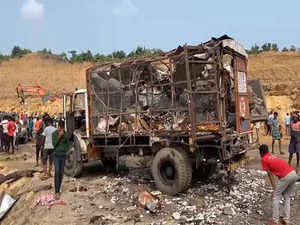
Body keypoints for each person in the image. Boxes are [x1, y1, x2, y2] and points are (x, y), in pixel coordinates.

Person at [259, 144, 298, 225]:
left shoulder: (264, 159)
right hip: (293, 173)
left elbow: (270, 174)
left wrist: (274, 187)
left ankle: (275, 221)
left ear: (261, 152)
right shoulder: (271, 156)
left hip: (286, 176)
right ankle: (286, 220)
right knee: (287, 197)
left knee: (276, 196)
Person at [52, 120, 70, 200]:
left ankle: (58, 188)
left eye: (61, 128)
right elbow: (54, 144)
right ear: (58, 126)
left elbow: (68, 143)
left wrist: (67, 151)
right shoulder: (54, 134)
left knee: (61, 173)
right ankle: (56, 191)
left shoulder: (65, 134)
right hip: (56, 155)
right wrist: (59, 136)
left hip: (63, 156)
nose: (60, 129)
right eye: (59, 127)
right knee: (57, 171)